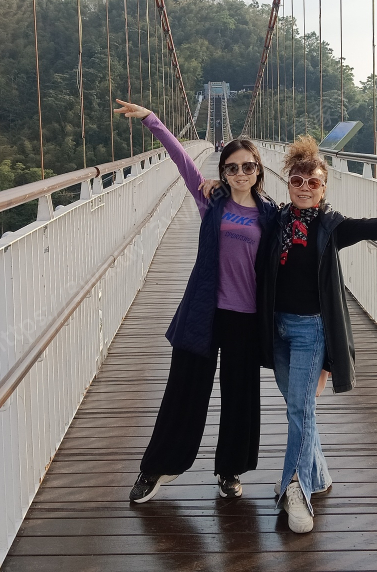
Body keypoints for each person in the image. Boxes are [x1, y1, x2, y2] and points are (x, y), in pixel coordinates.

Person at [257, 136, 377, 533]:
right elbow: (242, 201)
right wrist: (215, 186)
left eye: (313, 182)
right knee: (300, 407)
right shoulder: (274, 220)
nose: (304, 188)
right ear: (287, 183)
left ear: (324, 188)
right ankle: (318, 475)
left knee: (300, 410)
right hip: (275, 328)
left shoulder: (331, 227)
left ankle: (296, 488)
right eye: (297, 180)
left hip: (311, 329)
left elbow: (368, 227)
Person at [113, 99, 279, 503]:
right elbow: (183, 161)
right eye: (232, 168)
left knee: (240, 395)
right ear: (222, 172)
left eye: (248, 166)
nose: (240, 173)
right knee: (184, 390)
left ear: (259, 170)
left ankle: (230, 470)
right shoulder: (212, 201)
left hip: (245, 317)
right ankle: (158, 467)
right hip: (204, 310)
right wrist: (152, 120)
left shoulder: (272, 214)